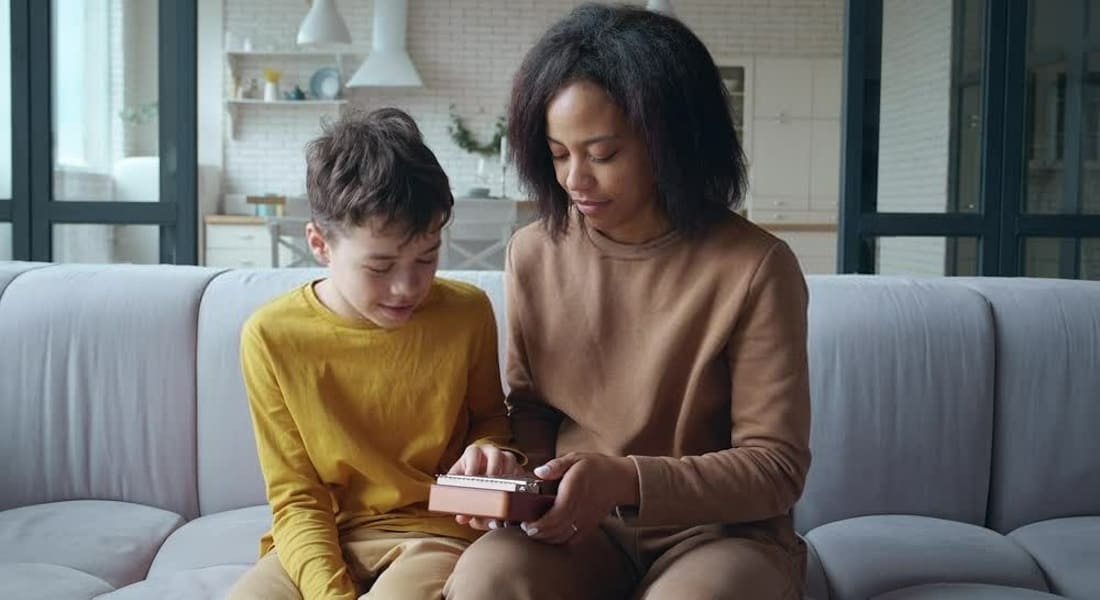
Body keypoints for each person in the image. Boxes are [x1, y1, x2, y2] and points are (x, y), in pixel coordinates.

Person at [445, 4, 811, 599]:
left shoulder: (756, 266)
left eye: (603, 154)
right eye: (558, 153)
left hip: (718, 535)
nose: (574, 181)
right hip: (575, 530)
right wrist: (511, 475)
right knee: (488, 579)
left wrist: (625, 480)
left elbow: (775, 468)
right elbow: (532, 413)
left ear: (673, 142)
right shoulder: (533, 253)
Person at [229, 108, 523, 600]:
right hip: (320, 538)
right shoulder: (271, 336)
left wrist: (491, 452)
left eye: (427, 258)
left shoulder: (467, 313)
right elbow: (297, 496)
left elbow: (492, 422)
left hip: (436, 531)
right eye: (380, 266)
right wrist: (331, 592)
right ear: (320, 244)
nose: (407, 286)